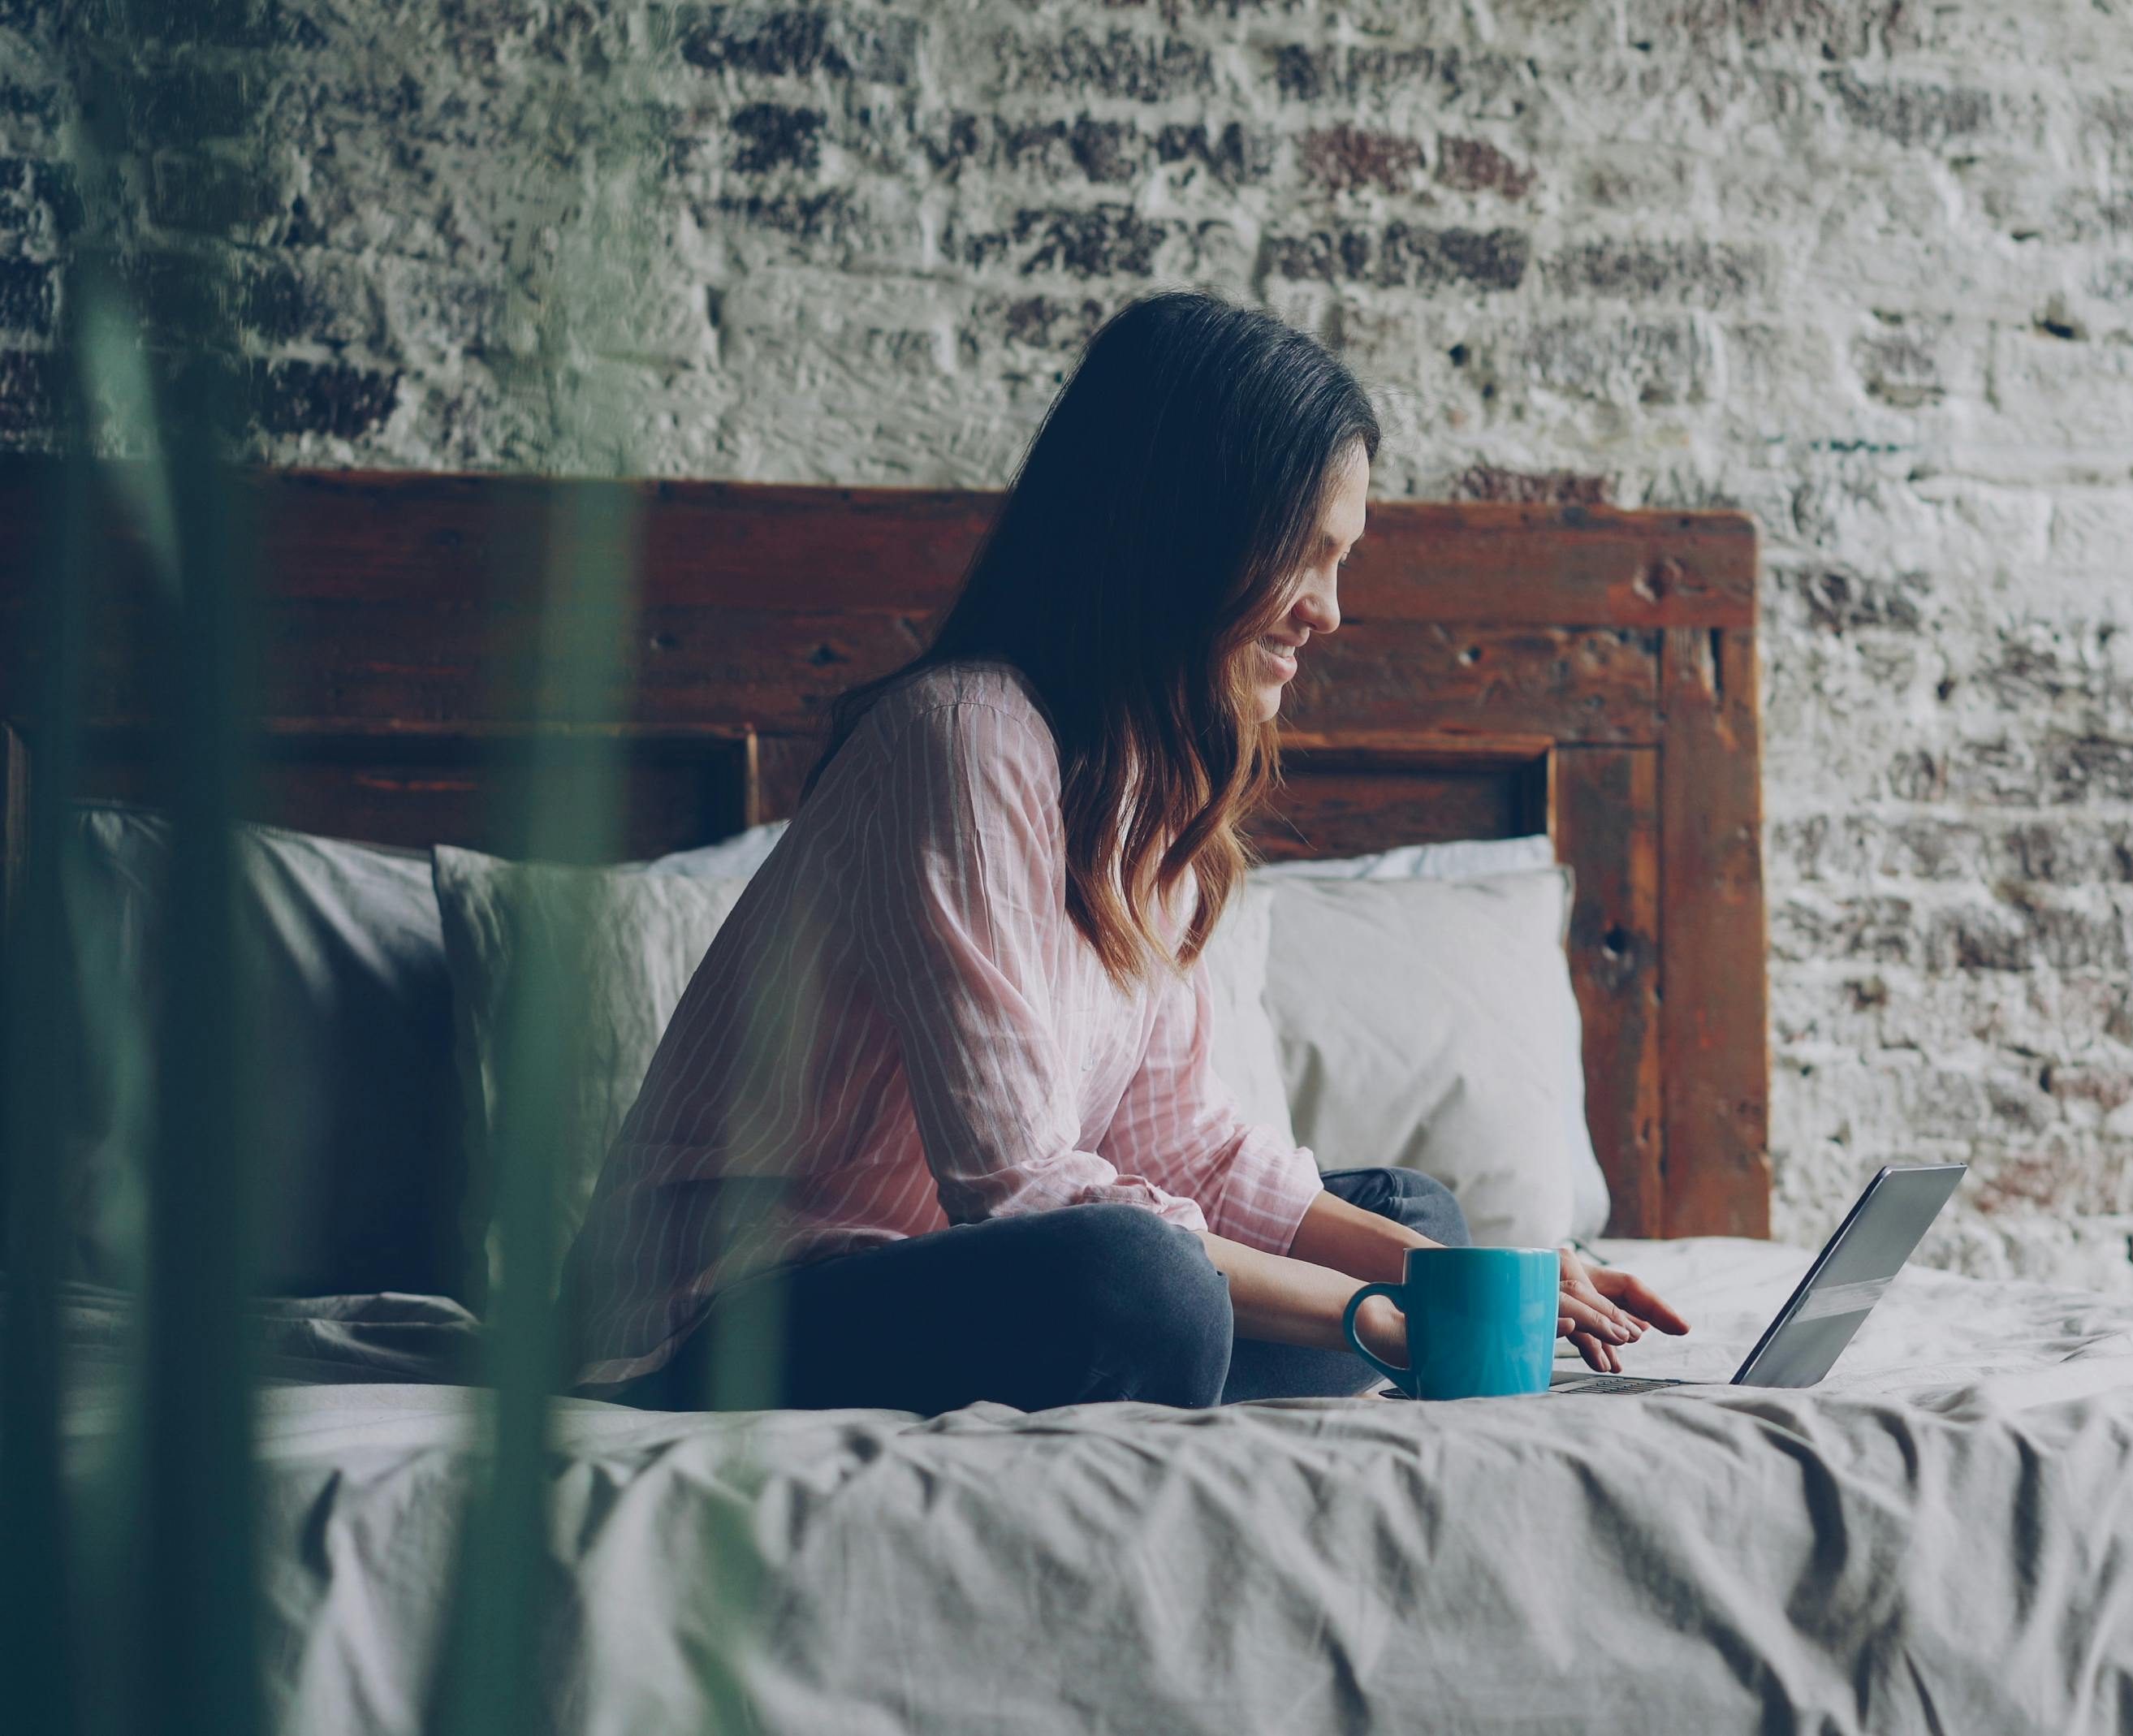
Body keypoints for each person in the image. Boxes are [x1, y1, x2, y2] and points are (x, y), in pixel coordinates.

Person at [564, 291, 1686, 1414]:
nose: (1331, 613)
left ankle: (1222, 1341)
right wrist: (1351, 1309)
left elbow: (1180, 1141)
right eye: (1307, 556)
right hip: (730, 1299)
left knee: (1424, 1222)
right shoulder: (960, 735)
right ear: (1186, 534)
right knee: (1141, 1282)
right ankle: (1215, 1340)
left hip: (964, 1265)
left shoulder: (1154, 783)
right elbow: (1018, 1191)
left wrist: (1465, 1275)